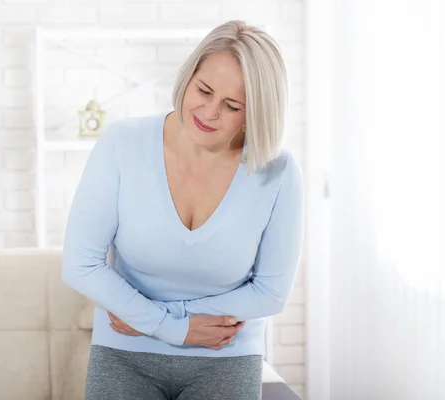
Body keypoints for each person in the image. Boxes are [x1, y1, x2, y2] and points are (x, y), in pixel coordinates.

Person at [62, 20, 304, 400]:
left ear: (257, 110)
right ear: (188, 76)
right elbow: (79, 263)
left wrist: (161, 320)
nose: (208, 112)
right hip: (125, 351)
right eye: (203, 90)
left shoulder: (278, 171)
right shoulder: (123, 144)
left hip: (224, 353)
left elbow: (271, 292)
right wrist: (172, 327)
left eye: (232, 106)